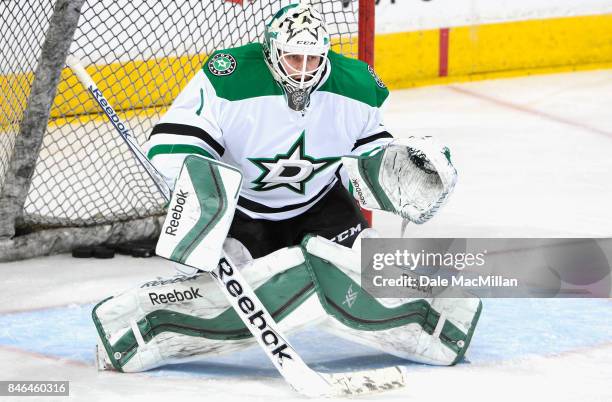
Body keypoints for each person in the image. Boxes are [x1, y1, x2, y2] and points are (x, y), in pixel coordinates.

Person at [93, 2, 480, 374]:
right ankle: (154, 323)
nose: (304, 70)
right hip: (245, 212)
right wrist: (199, 189)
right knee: (236, 287)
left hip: (320, 206)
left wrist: (400, 168)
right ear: (272, 51)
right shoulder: (228, 78)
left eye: (313, 59)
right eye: (295, 58)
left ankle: (431, 323)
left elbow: (367, 155)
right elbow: (173, 140)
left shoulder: (356, 85)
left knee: (370, 262)